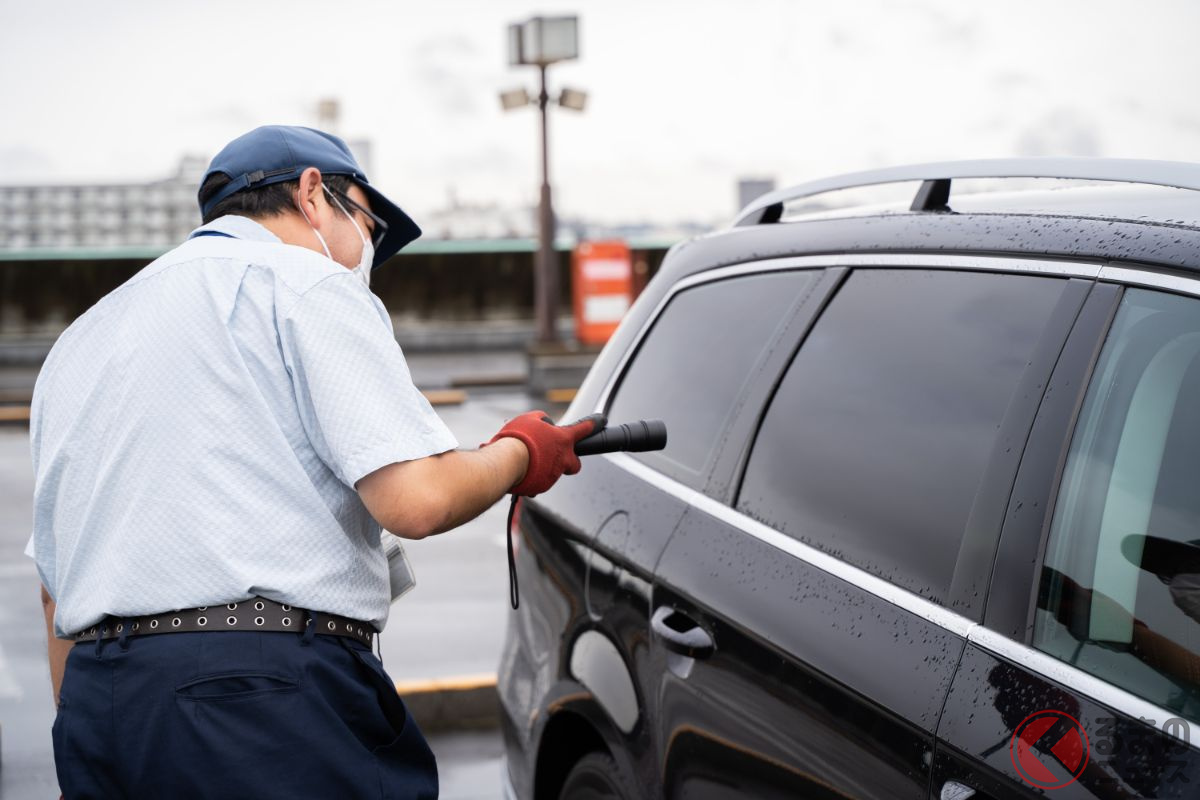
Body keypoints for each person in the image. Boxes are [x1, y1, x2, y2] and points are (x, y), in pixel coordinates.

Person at [26, 125, 601, 799]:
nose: (367, 253)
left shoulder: (81, 337)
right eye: (367, 221)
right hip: (261, 701)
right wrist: (522, 451)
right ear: (311, 195)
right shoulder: (305, 281)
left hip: (102, 712)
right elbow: (417, 497)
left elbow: (53, 586)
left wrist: (96, 726)